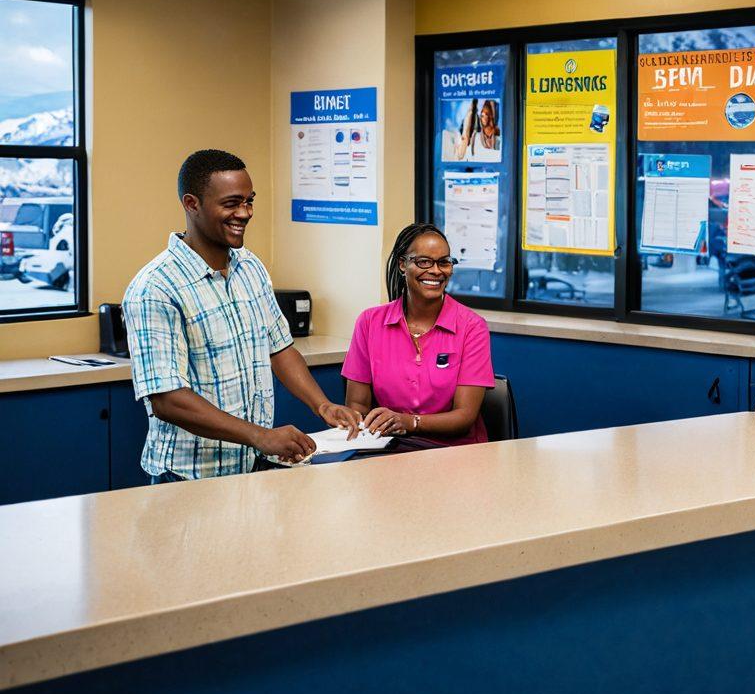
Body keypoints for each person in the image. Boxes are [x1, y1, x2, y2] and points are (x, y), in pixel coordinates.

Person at [124, 149, 361, 483]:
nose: (245, 213)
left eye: (249, 201)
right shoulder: (155, 287)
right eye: (231, 203)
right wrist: (260, 435)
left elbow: (280, 348)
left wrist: (322, 406)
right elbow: (167, 399)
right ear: (191, 204)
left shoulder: (250, 267)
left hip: (252, 468)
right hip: (188, 477)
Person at [342, 223, 495, 444]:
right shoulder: (369, 323)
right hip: (388, 450)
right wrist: (363, 428)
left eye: (444, 262)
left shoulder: (472, 327)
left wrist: (409, 422)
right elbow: (357, 405)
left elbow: (465, 416)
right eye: (424, 261)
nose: (435, 271)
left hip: (455, 455)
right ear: (403, 265)